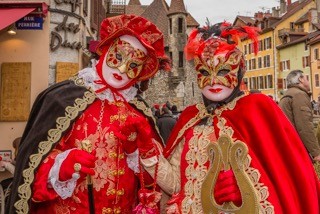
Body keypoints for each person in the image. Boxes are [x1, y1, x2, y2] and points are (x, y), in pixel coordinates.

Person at [134, 22, 320, 213]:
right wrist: (149, 151)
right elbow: (174, 184)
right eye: (205, 72)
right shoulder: (190, 117)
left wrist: (244, 186)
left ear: (238, 72)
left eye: (223, 71)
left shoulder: (257, 109)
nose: (214, 80)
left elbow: (284, 174)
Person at [7, 14, 170, 214]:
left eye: (133, 65)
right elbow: (30, 167)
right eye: (118, 57)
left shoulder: (139, 112)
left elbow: (158, 182)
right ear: (105, 50)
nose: (121, 68)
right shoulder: (61, 99)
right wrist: (60, 167)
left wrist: (139, 151)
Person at [279, 70, 320, 162]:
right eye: (306, 78)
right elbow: (305, 126)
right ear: (301, 79)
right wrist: (316, 152)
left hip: (287, 145)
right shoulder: (299, 95)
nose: (308, 81)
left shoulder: (288, 94)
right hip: (296, 146)